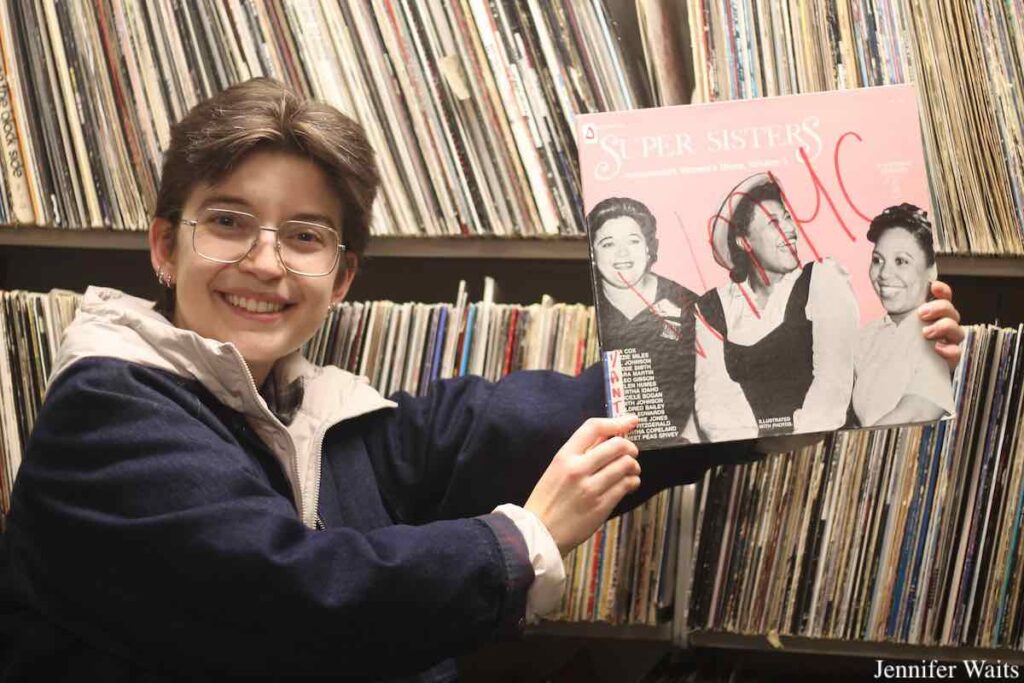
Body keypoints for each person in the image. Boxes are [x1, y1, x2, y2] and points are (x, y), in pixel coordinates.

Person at [0, 80, 962, 682]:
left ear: (342, 276)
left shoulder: (307, 407)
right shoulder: (107, 413)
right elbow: (291, 600)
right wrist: (522, 541)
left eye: (304, 235)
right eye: (228, 222)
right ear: (163, 246)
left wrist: (832, 377)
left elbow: (496, 425)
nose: (265, 260)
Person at [694, 172, 860, 440]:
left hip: (823, 444)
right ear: (744, 241)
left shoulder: (822, 279)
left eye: (787, 218)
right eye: (774, 223)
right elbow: (714, 401)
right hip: (749, 451)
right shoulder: (712, 309)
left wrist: (792, 445)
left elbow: (833, 386)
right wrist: (753, 447)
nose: (791, 230)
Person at [587, 197, 697, 441]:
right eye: (608, 243)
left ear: (648, 247)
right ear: (593, 252)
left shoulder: (689, 304)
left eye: (633, 241)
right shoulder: (589, 310)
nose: (622, 253)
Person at [851, 204, 956, 426]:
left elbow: (918, 413)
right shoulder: (868, 336)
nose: (884, 274)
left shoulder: (940, 336)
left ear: (932, 271)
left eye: (901, 261)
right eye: (878, 260)